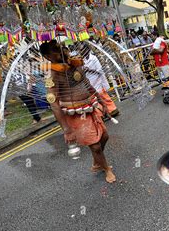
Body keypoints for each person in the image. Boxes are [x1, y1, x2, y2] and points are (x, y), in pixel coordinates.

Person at [39, 40, 116, 184]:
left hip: (90, 106)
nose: (61, 50)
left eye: (61, 47)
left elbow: (87, 84)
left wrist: (102, 102)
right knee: (95, 145)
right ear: (48, 57)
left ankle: (96, 162)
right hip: (74, 114)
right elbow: (54, 104)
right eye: (56, 51)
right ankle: (107, 169)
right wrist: (67, 130)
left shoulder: (75, 63)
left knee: (104, 136)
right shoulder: (52, 75)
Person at [80, 44, 119, 117]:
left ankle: (113, 110)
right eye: (80, 50)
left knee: (102, 96)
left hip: (97, 80)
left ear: (87, 50)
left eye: (82, 50)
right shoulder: (82, 60)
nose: (81, 51)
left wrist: (89, 70)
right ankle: (103, 113)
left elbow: (99, 70)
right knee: (95, 99)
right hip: (90, 82)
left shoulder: (94, 58)